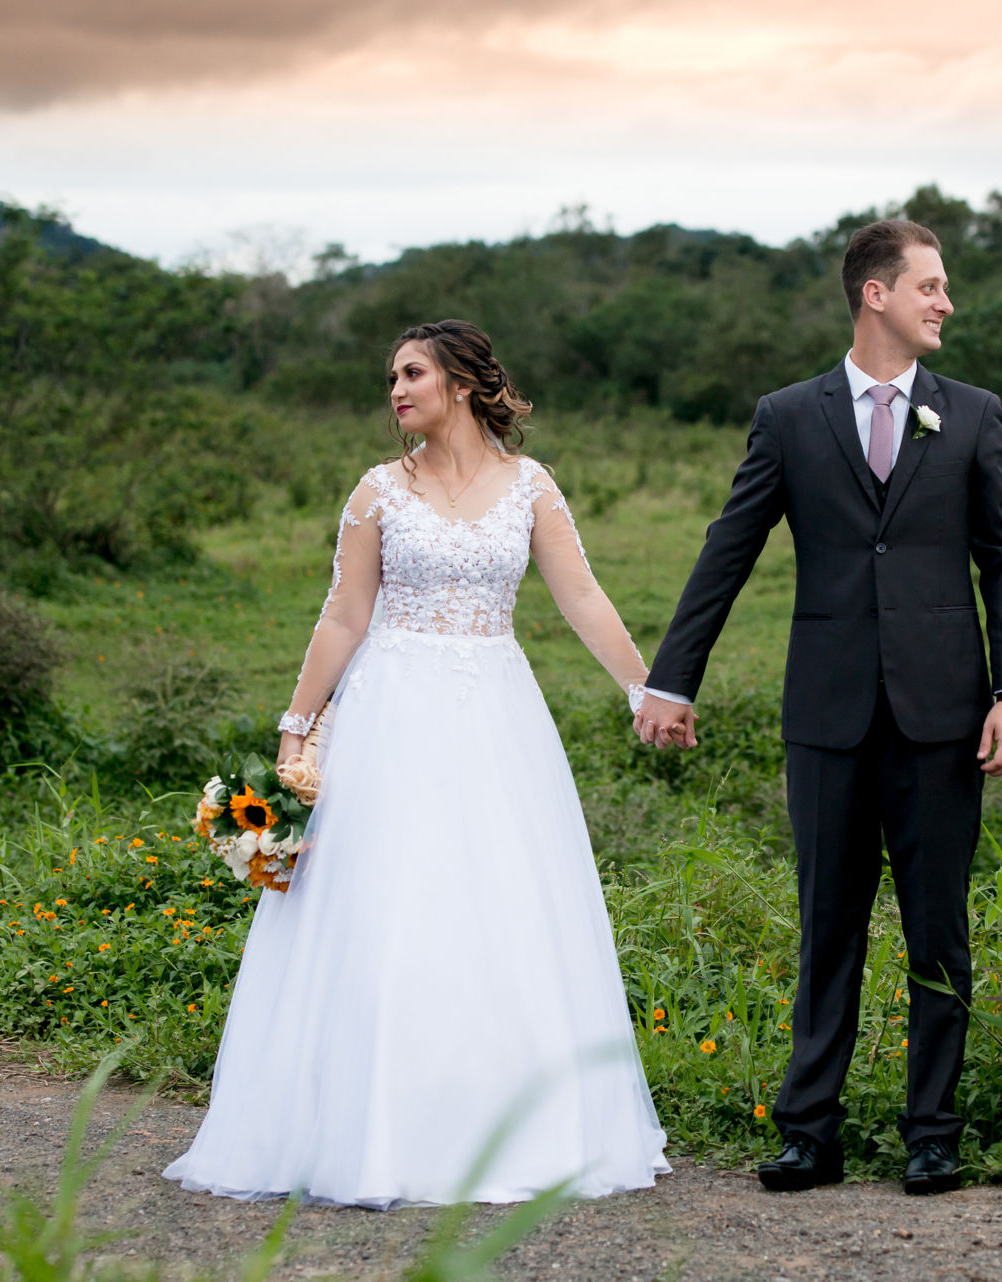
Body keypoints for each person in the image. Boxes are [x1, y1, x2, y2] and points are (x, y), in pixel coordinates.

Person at [163, 319, 670, 1209]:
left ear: (463, 383)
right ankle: (373, 1128)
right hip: (391, 716)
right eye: (391, 377)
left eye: (412, 374)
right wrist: (297, 723)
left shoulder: (531, 487)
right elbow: (343, 615)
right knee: (388, 907)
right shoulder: (376, 493)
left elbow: (582, 596)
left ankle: (509, 1125)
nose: (396, 391)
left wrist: (644, 690)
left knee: (500, 905)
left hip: (497, 719)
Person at [634, 219, 1002, 1195]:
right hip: (825, 720)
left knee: (939, 929)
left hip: (945, 718)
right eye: (931, 286)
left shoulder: (973, 414)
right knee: (828, 926)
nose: (946, 302)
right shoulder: (789, 415)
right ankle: (809, 1130)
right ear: (876, 294)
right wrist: (672, 676)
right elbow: (729, 548)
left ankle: (931, 1130)